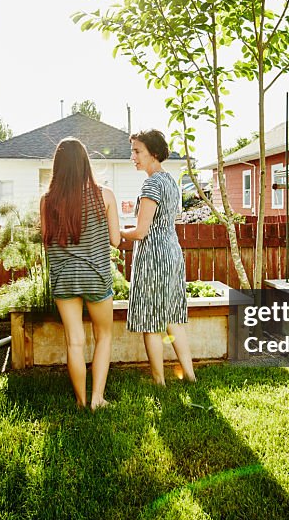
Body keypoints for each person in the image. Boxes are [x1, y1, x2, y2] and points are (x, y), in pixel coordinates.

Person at [41, 138, 121, 410]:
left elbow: (46, 239)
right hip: (96, 275)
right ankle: (97, 399)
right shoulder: (104, 195)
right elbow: (116, 240)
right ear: (85, 162)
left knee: (74, 341)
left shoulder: (47, 201)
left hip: (64, 278)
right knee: (104, 336)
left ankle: (80, 401)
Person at [121, 129, 194, 385]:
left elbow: (141, 231)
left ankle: (158, 382)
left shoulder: (151, 183)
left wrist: (117, 231)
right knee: (173, 317)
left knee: (151, 322)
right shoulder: (171, 182)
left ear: (153, 153)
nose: (133, 156)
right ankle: (191, 375)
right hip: (172, 252)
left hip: (154, 256)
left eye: (137, 151)